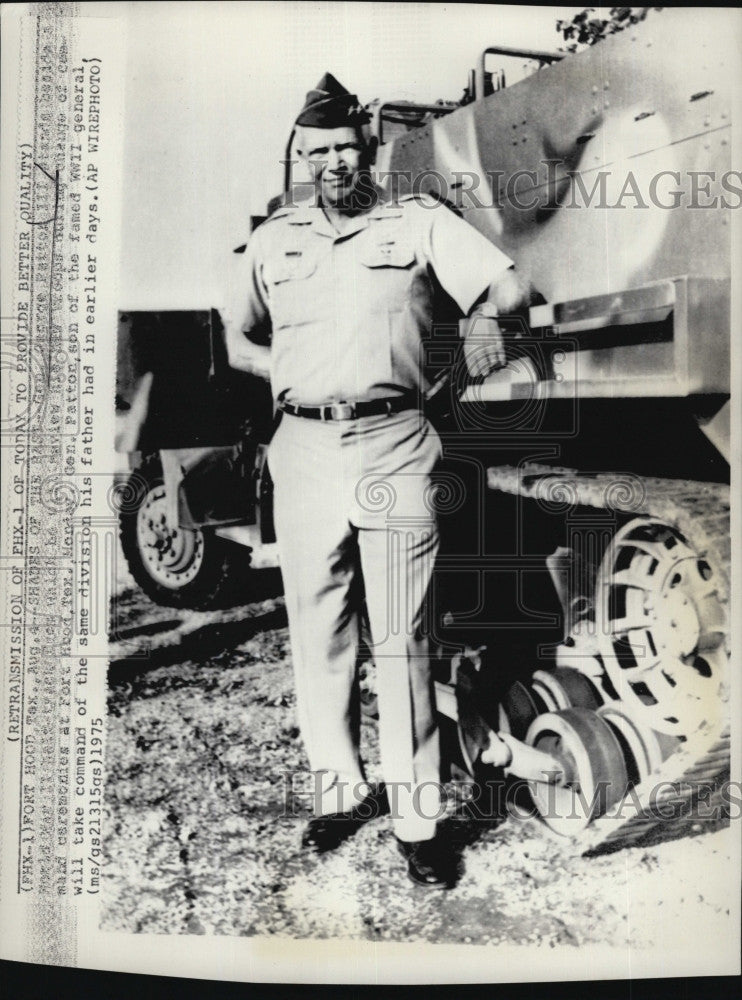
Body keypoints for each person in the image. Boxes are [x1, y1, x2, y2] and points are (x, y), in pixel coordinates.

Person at [225, 73, 521, 889]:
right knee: (318, 634)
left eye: (343, 148)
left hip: (394, 445)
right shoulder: (275, 241)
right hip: (305, 450)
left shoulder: (419, 223)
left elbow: (509, 281)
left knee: (402, 640)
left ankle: (419, 820)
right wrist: (285, 375)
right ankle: (338, 790)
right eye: (315, 151)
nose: (330, 163)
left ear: (368, 150)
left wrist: (488, 315)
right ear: (300, 157)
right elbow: (236, 335)